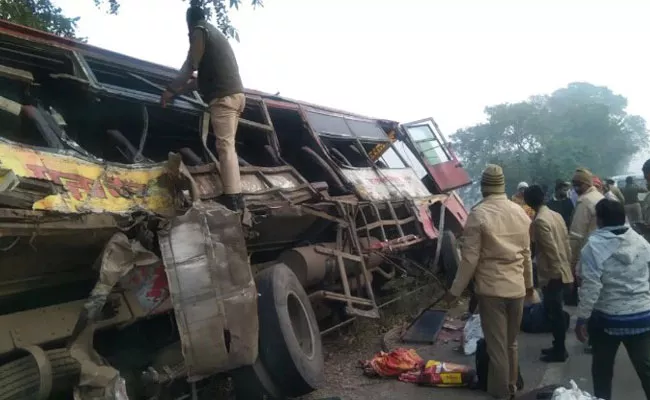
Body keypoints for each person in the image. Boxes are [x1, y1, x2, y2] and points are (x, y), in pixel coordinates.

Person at [444, 164, 534, 400]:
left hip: (492, 291)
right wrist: (529, 286)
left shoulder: (478, 214)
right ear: (503, 185)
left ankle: (501, 393)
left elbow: (469, 260)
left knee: (496, 348)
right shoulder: (519, 212)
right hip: (516, 289)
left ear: (484, 187)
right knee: (511, 343)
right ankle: (512, 385)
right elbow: (526, 254)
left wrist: (455, 291)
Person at [161, 6, 246, 212]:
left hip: (223, 98)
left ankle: (234, 198)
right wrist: (180, 92)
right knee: (229, 147)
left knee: (225, 148)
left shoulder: (200, 30)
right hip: (237, 96)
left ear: (190, 22)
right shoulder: (214, 33)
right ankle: (235, 194)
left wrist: (170, 90)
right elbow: (200, 81)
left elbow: (191, 65)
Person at [575, 199, 650, 400]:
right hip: (642, 318)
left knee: (602, 371)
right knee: (646, 371)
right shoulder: (641, 242)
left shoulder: (593, 247)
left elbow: (591, 286)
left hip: (607, 320)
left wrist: (582, 318)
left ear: (599, 220)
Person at [524, 185, 573, 363]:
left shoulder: (540, 221)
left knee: (554, 313)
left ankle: (560, 350)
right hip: (562, 269)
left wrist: (556, 274)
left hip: (553, 274)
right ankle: (557, 346)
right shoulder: (556, 215)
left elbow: (551, 250)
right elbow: (565, 244)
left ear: (528, 202)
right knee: (556, 311)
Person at [567, 168, 604, 309]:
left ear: (588, 183)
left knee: (588, 295)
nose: (575, 188)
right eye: (574, 184)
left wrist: (571, 264)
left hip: (587, 254)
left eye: (579, 184)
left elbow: (576, 236)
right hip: (602, 252)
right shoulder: (599, 197)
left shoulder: (585, 201)